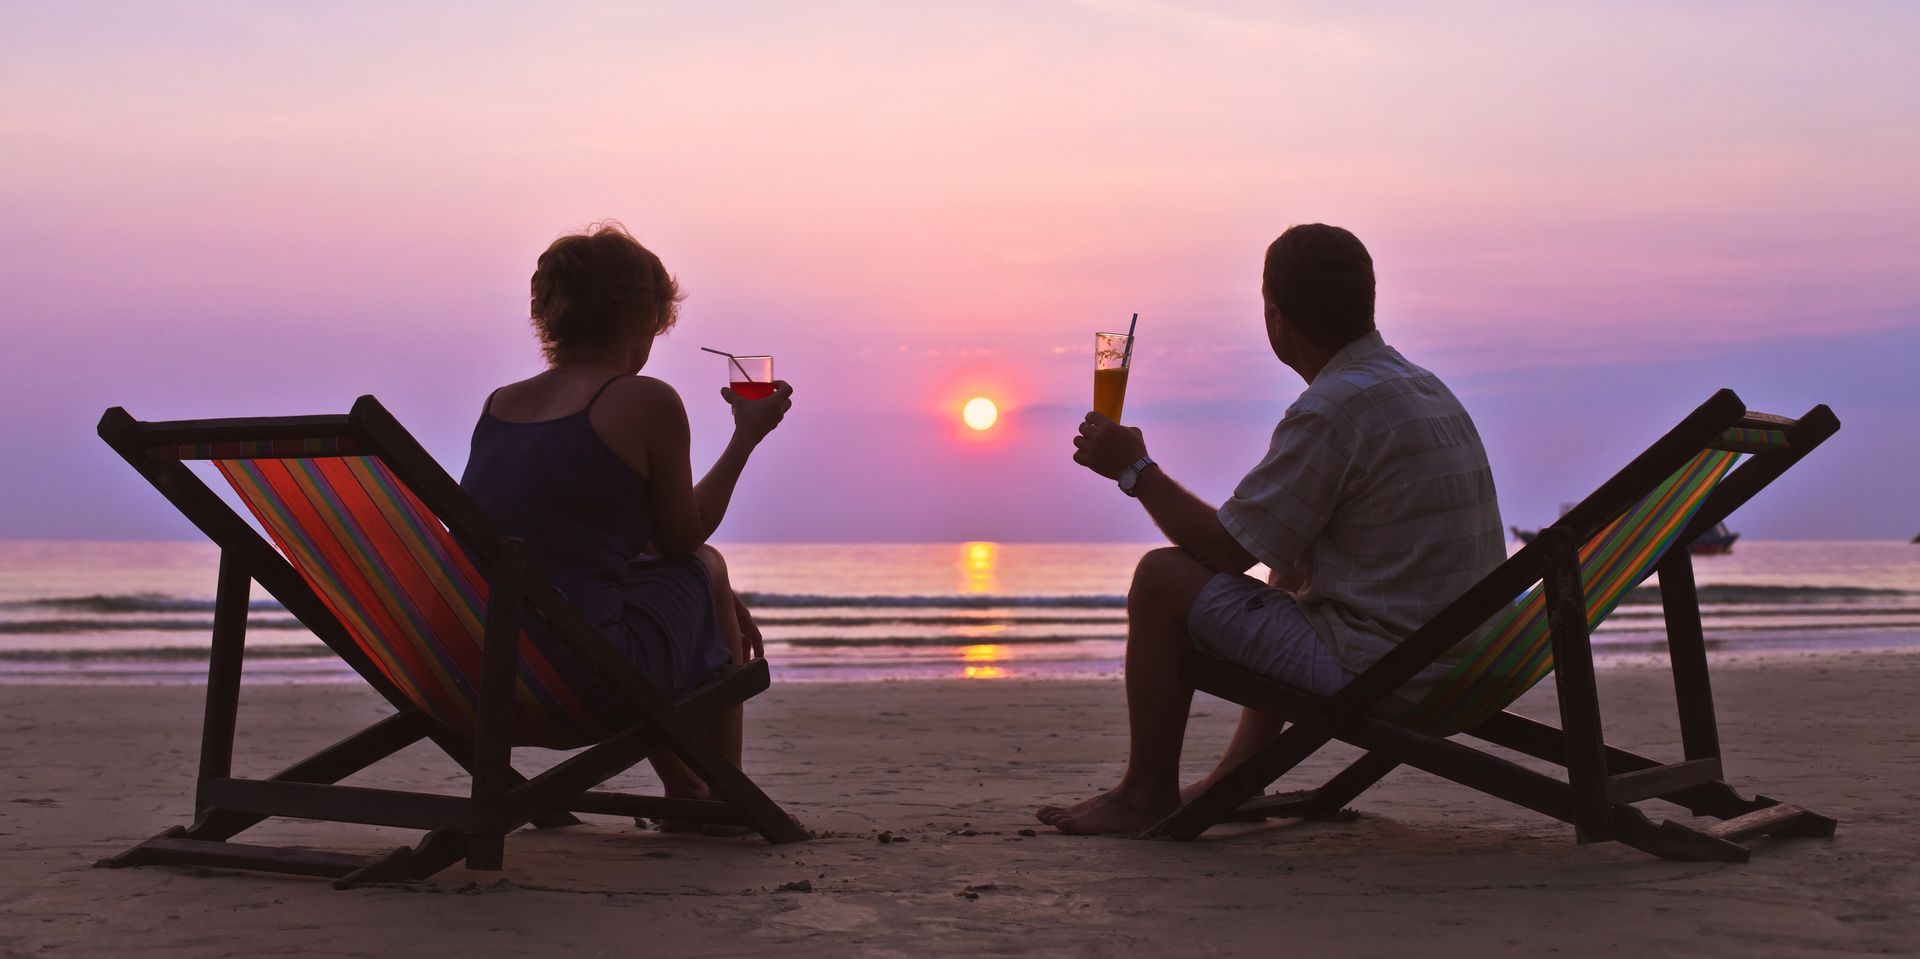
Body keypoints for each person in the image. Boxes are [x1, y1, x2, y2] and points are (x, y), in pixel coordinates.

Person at [1038, 224, 1504, 835]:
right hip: (1474, 658)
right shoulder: (1417, 385)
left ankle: (1143, 794)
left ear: (1276, 318)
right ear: (1366, 301)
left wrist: (1134, 470)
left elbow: (1224, 551)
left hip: (1396, 672)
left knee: (1160, 579)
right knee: (1292, 561)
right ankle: (1238, 776)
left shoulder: (1331, 409)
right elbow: (1267, 543)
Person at [460, 221, 792, 825]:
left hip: (478, 679)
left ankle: (687, 785)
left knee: (646, 591)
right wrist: (747, 435)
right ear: (642, 319)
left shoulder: (501, 406)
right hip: (580, 685)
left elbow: (574, 539)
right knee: (705, 565)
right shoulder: (645, 401)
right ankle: (716, 796)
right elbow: (681, 538)